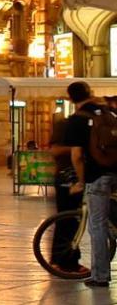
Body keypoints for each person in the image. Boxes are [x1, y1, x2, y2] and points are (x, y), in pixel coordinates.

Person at [63, 80, 117, 288]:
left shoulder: (77, 119)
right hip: (115, 171)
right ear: (91, 93)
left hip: (97, 177)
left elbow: (76, 156)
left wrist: (81, 181)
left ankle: (100, 276)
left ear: (70, 98)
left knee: (97, 226)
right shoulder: (107, 113)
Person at [49, 113, 86, 275]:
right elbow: (55, 150)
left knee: (74, 220)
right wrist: (79, 148)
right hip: (67, 177)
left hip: (79, 176)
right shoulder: (65, 124)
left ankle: (67, 260)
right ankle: (63, 261)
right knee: (67, 220)